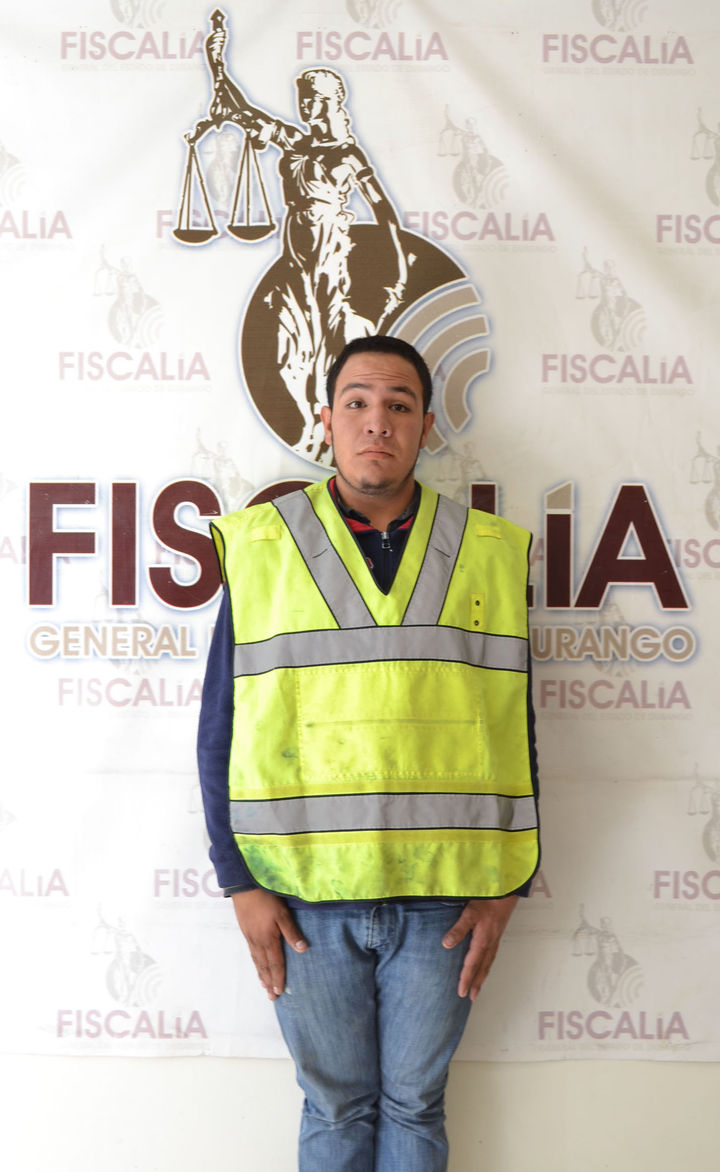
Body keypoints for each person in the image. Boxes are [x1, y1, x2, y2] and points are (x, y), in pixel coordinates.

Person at [197, 334, 540, 1171]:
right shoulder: (263, 546)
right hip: (301, 890)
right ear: (326, 421)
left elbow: (514, 723)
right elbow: (220, 728)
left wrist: (509, 885)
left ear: (426, 426)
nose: (376, 422)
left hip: (444, 894)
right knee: (335, 1108)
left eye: (398, 405)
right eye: (356, 403)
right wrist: (239, 881)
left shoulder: (487, 550)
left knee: (416, 1107)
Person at [186, 10, 408, 460]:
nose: (309, 109)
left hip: (330, 255)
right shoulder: (295, 142)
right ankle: (308, 425)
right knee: (289, 348)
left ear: (335, 103)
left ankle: (335, 434)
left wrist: (398, 268)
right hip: (295, 258)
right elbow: (243, 112)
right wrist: (217, 65)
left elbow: (383, 209)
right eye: (304, 101)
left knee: (331, 347)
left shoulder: (347, 154)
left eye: (317, 101)